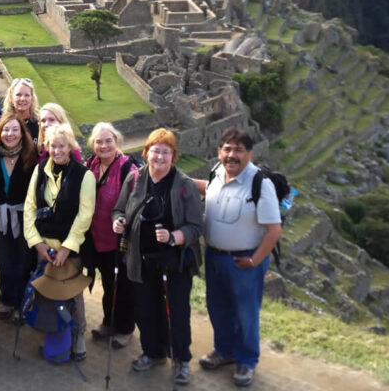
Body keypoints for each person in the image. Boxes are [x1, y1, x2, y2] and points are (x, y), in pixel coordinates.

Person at [113, 128, 202, 385]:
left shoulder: (184, 185)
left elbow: (197, 227)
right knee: (144, 310)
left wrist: (174, 237)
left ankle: (181, 359)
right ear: (146, 153)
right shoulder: (134, 179)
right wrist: (118, 222)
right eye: (155, 150)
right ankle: (153, 353)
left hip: (174, 262)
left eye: (166, 152)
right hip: (140, 259)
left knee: (176, 312)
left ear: (173, 156)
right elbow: (119, 209)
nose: (160, 157)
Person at [199, 129, 282, 388]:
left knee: (245, 313)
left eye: (238, 150)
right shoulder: (216, 172)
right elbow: (207, 188)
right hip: (214, 257)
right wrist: (177, 177)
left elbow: (274, 230)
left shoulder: (260, 183)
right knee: (218, 307)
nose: (231, 155)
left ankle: (246, 360)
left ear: (249, 154)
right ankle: (224, 351)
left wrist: (255, 261)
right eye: (227, 149)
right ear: (219, 152)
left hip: (244, 261)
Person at [24, 123, 97, 361]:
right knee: (47, 294)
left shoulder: (84, 175)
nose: (57, 151)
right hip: (44, 246)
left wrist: (67, 248)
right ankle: (54, 337)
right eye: (53, 146)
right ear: (47, 146)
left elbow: (85, 215)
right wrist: (37, 243)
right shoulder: (40, 170)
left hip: (71, 249)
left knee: (72, 295)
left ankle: (78, 337)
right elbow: (30, 208)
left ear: (70, 147)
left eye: (62, 146)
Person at [85, 122, 137, 348]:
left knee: (122, 285)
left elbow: (136, 203)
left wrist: (124, 220)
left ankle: (125, 328)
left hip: (119, 240)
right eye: (99, 141)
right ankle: (108, 322)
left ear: (117, 142)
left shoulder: (128, 169)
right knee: (108, 283)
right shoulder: (91, 165)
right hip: (97, 238)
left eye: (108, 141)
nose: (104, 145)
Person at [0, 112, 38, 319]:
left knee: (23, 261)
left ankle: (22, 304)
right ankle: (7, 299)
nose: (10, 134)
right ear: (0, 132)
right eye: (6, 129)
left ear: (22, 132)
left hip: (24, 216)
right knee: (5, 260)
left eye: (15, 129)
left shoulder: (31, 155)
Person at [2, 77, 40, 144]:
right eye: (18, 95)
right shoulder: (1, 120)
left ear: (32, 98)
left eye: (27, 95)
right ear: (11, 96)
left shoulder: (40, 123)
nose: (22, 99)